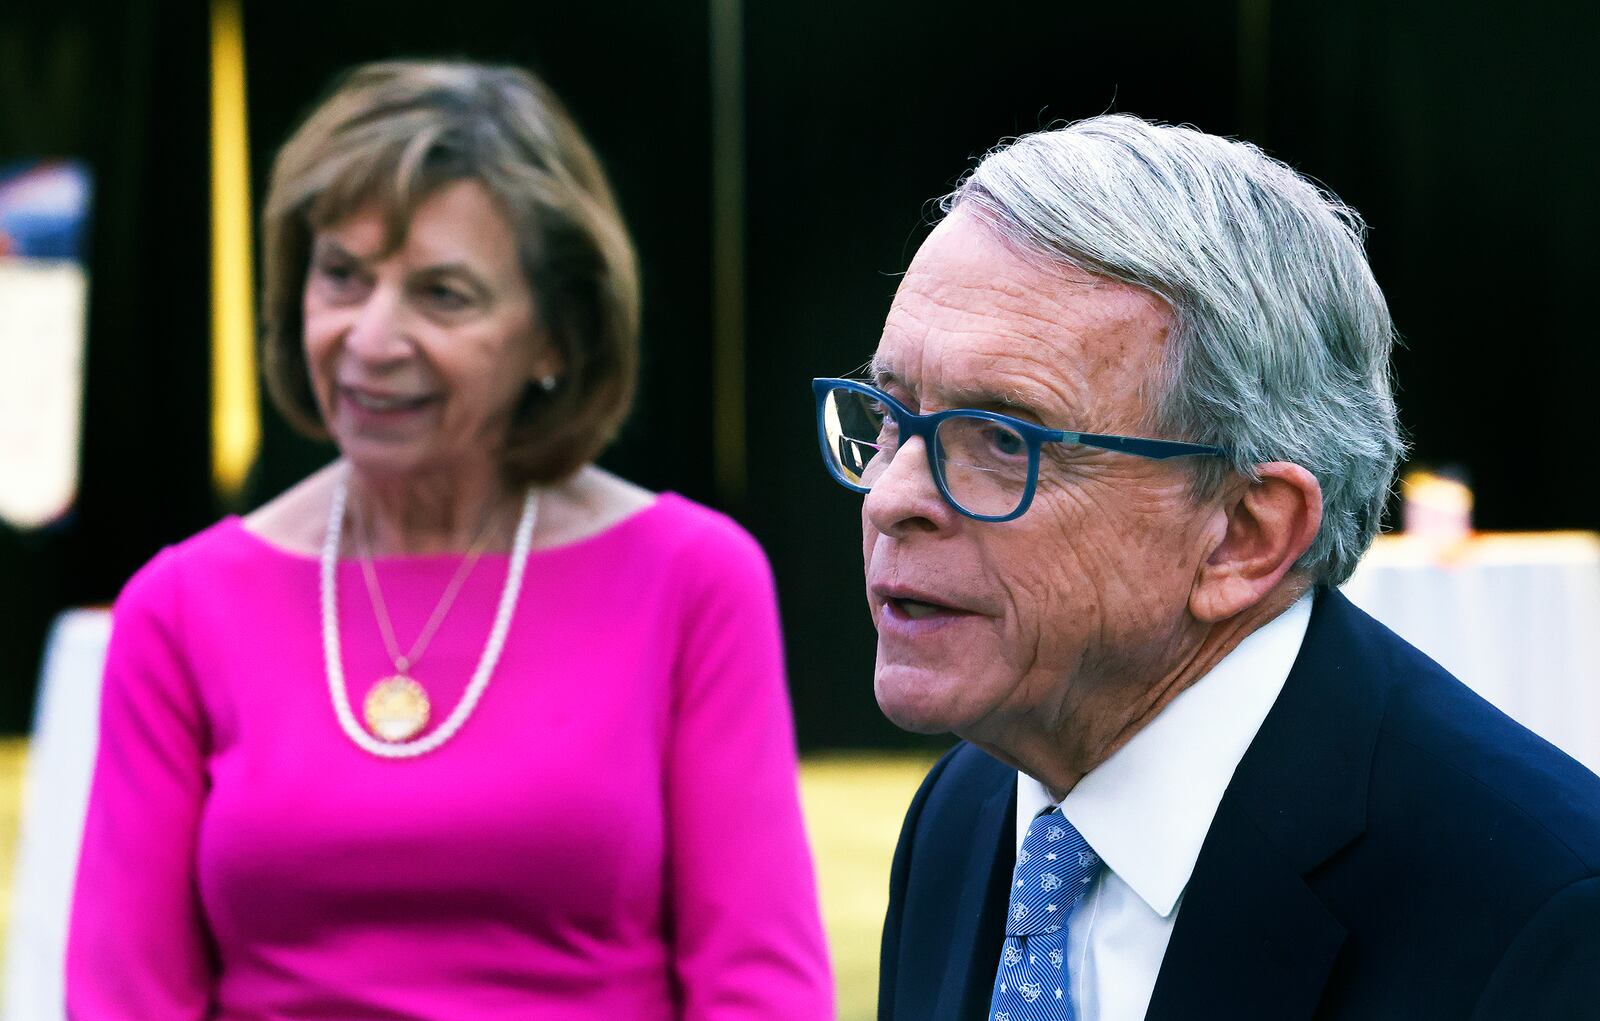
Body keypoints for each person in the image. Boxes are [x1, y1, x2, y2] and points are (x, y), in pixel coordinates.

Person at [68, 60, 832, 1019]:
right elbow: (123, 995)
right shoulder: (180, 605)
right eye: (342, 275)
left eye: (443, 295)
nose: (371, 337)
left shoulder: (692, 578)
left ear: (555, 338)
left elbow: (757, 987)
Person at [811, 114, 1600, 1020]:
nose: (891, 495)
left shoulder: (1537, 923)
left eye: (1000, 437)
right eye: (892, 413)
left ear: (1244, 535)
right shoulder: (967, 813)